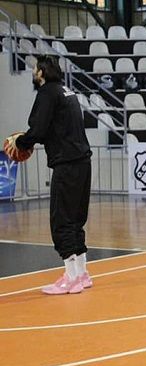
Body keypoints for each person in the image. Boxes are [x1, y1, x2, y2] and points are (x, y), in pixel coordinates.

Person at [6, 55, 93, 294]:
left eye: (35, 69)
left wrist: (20, 143)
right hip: (83, 162)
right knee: (76, 220)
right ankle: (82, 274)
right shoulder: (68, 92)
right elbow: (55, 128)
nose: (33, 72)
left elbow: (38, 129)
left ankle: (71, 278)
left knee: (61, 221)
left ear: (42, 73)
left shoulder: (47, 93)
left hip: (67, 164)